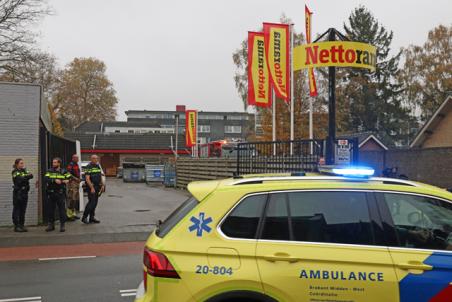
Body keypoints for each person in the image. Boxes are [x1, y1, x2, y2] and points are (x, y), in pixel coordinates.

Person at [45, 157, 71, 232]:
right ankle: (51, 225)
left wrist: (66, 180)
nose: (53, 164)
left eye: (55, 162)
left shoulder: (64, 171)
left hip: (60, 193)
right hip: (51, 193)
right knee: (50, 210)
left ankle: (62, 225)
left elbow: (69, 178)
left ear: (59, 163)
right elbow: (45, 179)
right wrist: (54, 180)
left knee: (62, 210)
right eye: (53, 162)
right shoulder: (49, 171)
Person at [11, 159, 33, 232]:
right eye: (21, 163)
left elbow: (31, 175)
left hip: (24, 193)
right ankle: (16, 226)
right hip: (18, 193)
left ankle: (22, 225)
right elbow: (19, 180)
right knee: (17, 210)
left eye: (23, 163)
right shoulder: (14, 172)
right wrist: (26, 177)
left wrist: (25, 177)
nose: (22, 164)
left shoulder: (24, 170)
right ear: (17, 164)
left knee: (23, 210)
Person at [82, 154, 104, 224]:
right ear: (91, 159)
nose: (96, 160)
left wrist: (102, 185)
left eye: (97, 158)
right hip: (92, 187)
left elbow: (100, 176)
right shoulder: (88, 167)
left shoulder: (97, 166)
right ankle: (84, 217)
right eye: (94, 158)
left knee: (95, 203)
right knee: (91, 203)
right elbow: (87, 179)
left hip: (98, 186)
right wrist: (91, 187)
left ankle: (92, 218)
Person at [66, 154, 81, 221]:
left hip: (76, 183)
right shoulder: (71, 165)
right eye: (76, 158)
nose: (77, 159)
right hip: (72, 183)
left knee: (75, 199)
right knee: (71, 198)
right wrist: (75, 179)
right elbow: (68, 174)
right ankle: (69, 215)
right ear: (73, 158)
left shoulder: (76, 165)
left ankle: (73, 214)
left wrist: (79, 179)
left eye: (78, 158)